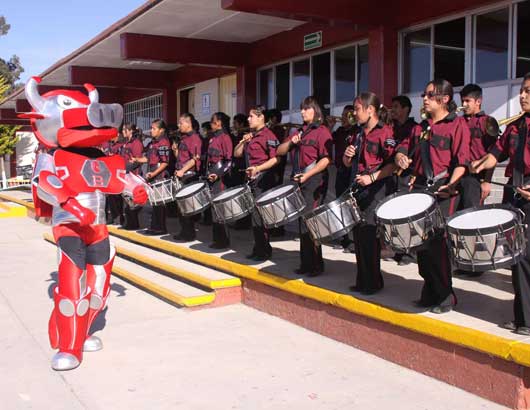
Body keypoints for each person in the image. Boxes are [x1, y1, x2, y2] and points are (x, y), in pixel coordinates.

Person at [395, 79, 470, 313]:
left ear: (445, 99)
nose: (424, 99)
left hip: (443, 191)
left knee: (438, 246)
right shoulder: (420, 128)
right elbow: (402, 148)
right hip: (419, 191)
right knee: (420, 245)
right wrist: (400, 157)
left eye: (429, 95)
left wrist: (451, 184)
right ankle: (429, 292)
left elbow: (462, 162)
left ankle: (446, 295)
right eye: (424, 95)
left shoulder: (457, 126)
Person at [469, 73, 530, 335]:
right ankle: (522, 317)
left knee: (526, 259)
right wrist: (479, 164)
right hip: (515, 196)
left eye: (528, 91)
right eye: (522, 90)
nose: (523, 95)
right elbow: (498, 152)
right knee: (517, 258)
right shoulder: (517, 125)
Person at [342, 93, 397, 295]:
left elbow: (392, 165)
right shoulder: (358, 134)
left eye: (357, 109)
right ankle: (362, 279)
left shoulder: (385, 133)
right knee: (358, 236)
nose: (354, 113)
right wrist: (347, 158)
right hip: (358, 189)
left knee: (369, 236)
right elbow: (349, 164)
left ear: (370, 110)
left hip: (376, 189)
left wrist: (372, 178)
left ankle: (373, 282)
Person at [277, 96, 332, 277]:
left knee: (311, 222)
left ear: (314, 110)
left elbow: (326, 159)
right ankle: (305, 263)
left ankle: (316, 264)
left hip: (315, 181)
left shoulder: (322, 131)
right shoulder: (299, 132)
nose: (302, 112)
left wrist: (308, 175)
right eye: (301, 109)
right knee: (302, 222)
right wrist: (292, 142)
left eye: (305, 109)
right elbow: (280, 151)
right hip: (299, 181)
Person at [234, 105, 280, 261]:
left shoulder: (269, 135)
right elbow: (237, 154)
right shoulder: (250, 136)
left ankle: (264, 250)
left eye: (251, 116)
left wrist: (258, 168)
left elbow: (276, 159)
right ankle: (258, 248)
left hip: (263, 180)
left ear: (261, 117)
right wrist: (242, 142)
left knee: (261, 218)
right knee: (255, 217)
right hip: (252, 181)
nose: (248, 119)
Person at [390, 95, 419, 266]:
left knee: (407, 215)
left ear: (406, 109)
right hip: (391, 175)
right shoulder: (389, 127)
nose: (392, 110)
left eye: (396, 106)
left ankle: (409, 252)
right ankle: (399, 249)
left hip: (407, 175)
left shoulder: (414, 128)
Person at [133, 119, 171, 235]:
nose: (151, 130)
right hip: (153, 173)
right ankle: (154, 227)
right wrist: (137, 159)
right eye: (152, 128)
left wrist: (154, 174)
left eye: (154, 128)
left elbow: (165, 162)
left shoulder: (164, 142)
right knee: (155, 203)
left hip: (159, 174)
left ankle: (160, 228)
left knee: (159, 204)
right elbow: (148, 159)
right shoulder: (153, 143)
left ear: (161, 130)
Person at [172, 113, 202, 241]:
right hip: (181, 175)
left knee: (187, 208)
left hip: (189, 176)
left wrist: (182, 171)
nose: (179, 125)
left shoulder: (195, 138)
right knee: (181, 208)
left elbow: (194, 159)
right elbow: (182, 157)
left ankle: (189, 233)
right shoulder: (183, 138)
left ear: (188, 124)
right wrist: (175, 150)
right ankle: (184, 231)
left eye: (181, 123)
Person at [331, 105, 357, 252]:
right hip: (341, 171)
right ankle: (345, 238)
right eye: (343, 114)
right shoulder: (340, 131)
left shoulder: (357, 131)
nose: (344, 117)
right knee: (340, 204)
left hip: (351, 172)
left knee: (351, 205)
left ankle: (352, 241)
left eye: (348, 115)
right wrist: (330, 126)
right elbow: (328, 141)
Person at [206, 112, 233, 249]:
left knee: (220, 209)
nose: (211, 123)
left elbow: (229, 161)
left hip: (220, 178)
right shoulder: (213, 138)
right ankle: (217, 239)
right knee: (214, 210)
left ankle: (223, 240)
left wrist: (218, 174)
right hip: (211, 175)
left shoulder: (225, 137)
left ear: (219, 123)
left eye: (213, 121)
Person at [121, 123, 145, 230]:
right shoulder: (126, 143)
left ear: (131, 131)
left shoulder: (136, 143)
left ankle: (133, 224)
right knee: (127, 200)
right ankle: (130, 223)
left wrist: (127, 167)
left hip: (133, 175)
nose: (122, 132)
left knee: (133, 201)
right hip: (125, 175)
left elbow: (138, 160)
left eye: (125, 130)